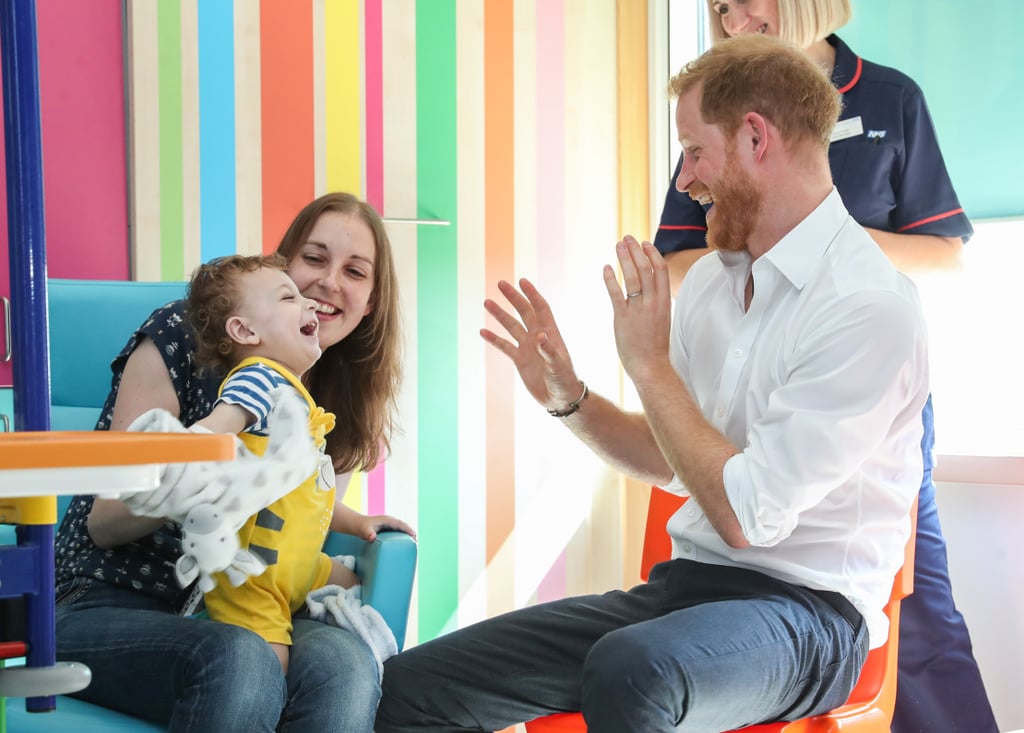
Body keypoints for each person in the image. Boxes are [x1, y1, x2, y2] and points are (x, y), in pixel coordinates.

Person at [377, 34, 927, 732]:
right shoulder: (711, 284)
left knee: (634, 668)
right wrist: (568, 397)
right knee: (412, 686)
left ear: (756, 138)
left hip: (809, 615)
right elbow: (675, 457)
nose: (686, 178)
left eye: (695, 150)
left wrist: (648, 364)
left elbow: (745, 514)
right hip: (684, 595)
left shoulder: (866, 305)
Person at [652, 3, 998, 732]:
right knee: (702, 615)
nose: (737, 15)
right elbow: (679, 255)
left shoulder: (890, 99)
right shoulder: (711, 113)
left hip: (856, 385)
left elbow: (946, 254)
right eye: (719, 6)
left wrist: (821, 237)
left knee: (921, 613)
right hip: (743, 383)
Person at [54, 192, 413, 733]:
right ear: (282, 265)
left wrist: (350, 537)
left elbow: (292, 535)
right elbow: (107, 523)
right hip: (103, 599)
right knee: (241, 661)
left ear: (370, 303)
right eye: (314, 259)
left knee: (345, 670)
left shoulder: (329, 397)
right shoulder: (185, 334)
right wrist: (217, 479)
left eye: (355, 272)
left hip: (230, 605)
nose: (329, 283)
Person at [181, 252, 362, 674]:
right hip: (256, 582)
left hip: (297, 564)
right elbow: (218, 426)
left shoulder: (292, 394)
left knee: (358, 585)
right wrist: (188, 448)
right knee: (268, 675)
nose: (309, 304)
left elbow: (305, 489)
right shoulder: (260, 377)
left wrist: (359, 523)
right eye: (288, 298)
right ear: (244, 330)